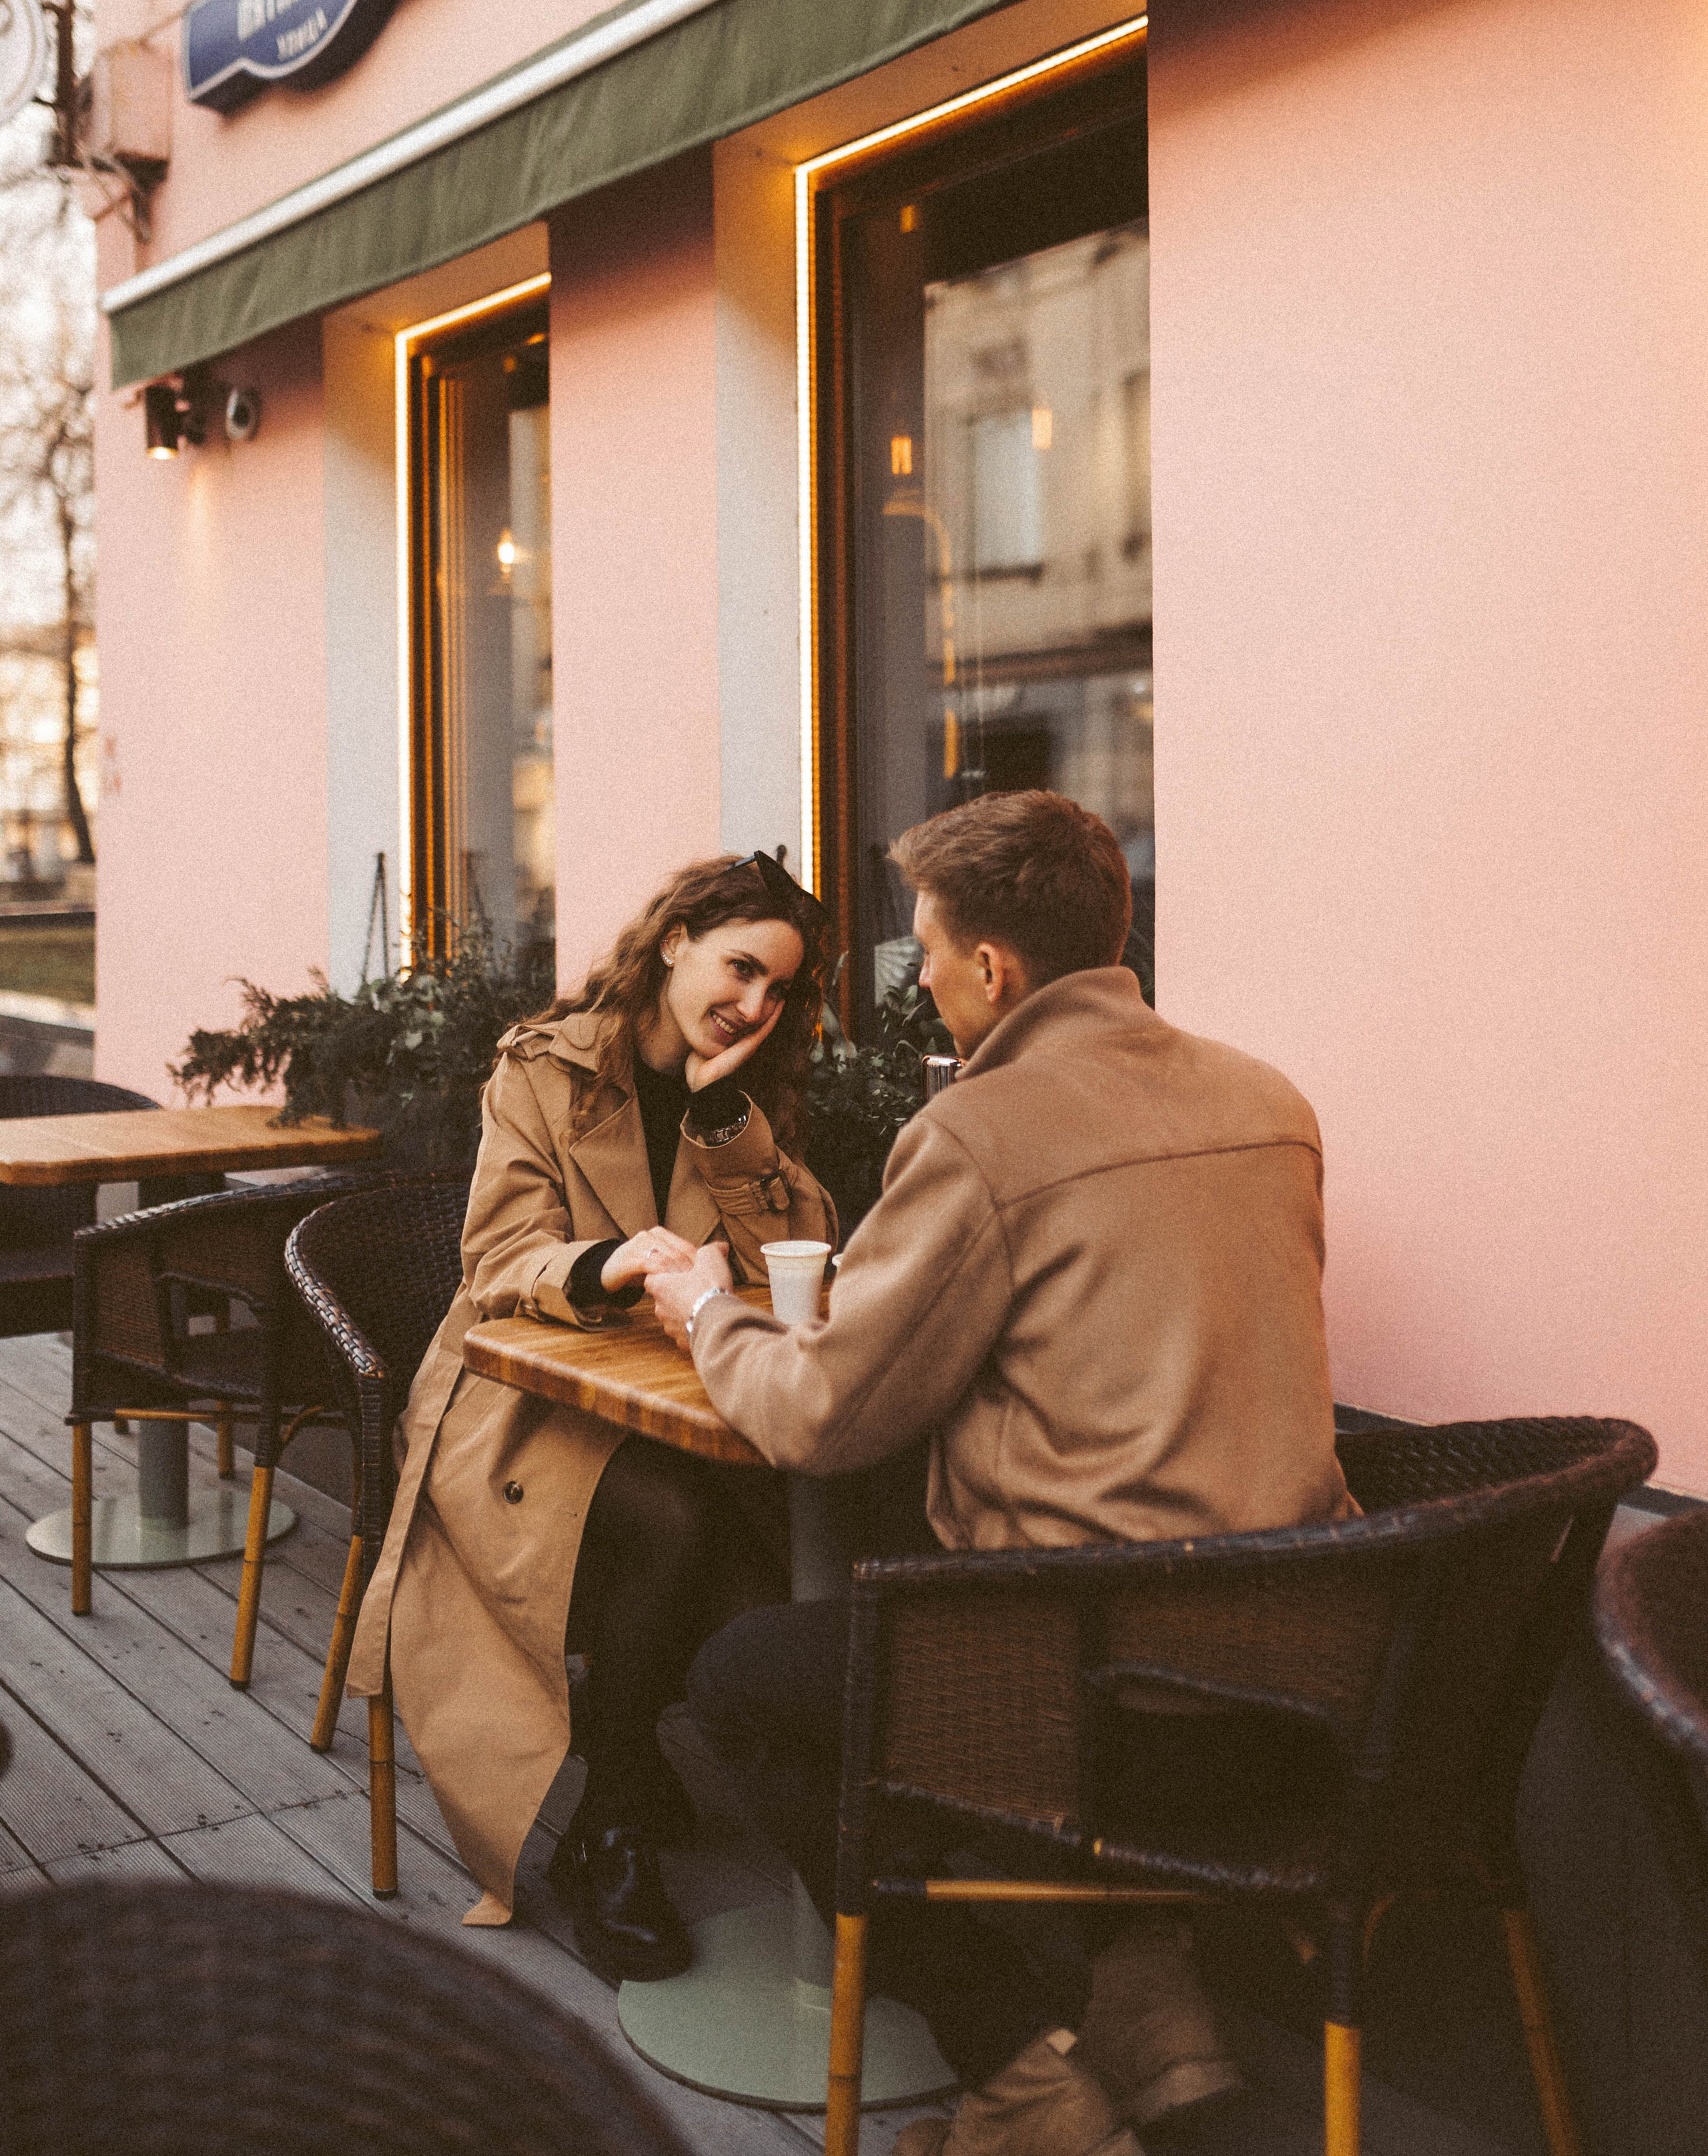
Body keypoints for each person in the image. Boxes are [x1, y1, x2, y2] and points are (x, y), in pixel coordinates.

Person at [649, 791, 1350, 2156]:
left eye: (925, 952)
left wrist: (701, 1314)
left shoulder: (982, 1131)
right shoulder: (1272, 1101)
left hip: (1111, 1710)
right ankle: (1160, 2020)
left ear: (993, 971)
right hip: (1310, 1680)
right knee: (958, 1583)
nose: (918, 983)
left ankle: (1023, 2085)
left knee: (745, 1681)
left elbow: (814, 1415)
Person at [346, 852, 835, 1975]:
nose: (754, 1006)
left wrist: (723, 1118)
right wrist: (612, 1261)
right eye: (739, 968)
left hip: (676, 1394)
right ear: (676, 942)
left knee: (763, 1583)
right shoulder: (543, 1068)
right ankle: (611, 1827)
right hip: (522, 1407)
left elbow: (786, 1255)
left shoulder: (745, 1087)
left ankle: (639, 1776)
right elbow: (498, 1258)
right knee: (678, 1526)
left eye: (778, 990)